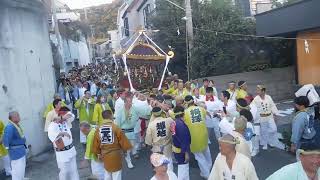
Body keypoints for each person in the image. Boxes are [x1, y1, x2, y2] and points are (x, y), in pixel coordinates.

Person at [92, 110, 133, 180]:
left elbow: (96, 144)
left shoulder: (98, 129)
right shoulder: (116, 127)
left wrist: (98, 154)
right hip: (115, 154)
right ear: (111, 116)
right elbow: (124, 142)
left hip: (105, 154)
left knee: (107, 173)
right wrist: (125, 151)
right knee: (117, 174)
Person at [184, 95, 212, 179]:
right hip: (204, 134)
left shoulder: (185, 112)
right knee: (207, 152)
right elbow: (204, 118)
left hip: (194, 137)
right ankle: (209, 168)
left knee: (200, 157)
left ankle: (206, 174)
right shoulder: (201, 109)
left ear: (186, 103)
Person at [48, 108, 79, 180]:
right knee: (64, 172)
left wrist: (64, 117)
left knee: (74, 170)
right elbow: (51, 135)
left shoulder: (66, 122)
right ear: (59, 116)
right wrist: (61, 133)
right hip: (62, 153)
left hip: (71, 150)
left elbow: (72, 115)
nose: (67, 118)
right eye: (64, 116)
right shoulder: (53, 125)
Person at [251, 85, 284, 150]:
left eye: (259, 90)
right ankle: (265, 143)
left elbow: (272, 106)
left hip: (270, 116)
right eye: (257, 90)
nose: (257, 92)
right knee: (263, 131)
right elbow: (252, 108)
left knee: (274, 129)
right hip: (262, 117)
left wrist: (275, 114)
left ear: (263, 91)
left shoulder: (268, 97)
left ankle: (269, 140)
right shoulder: (256, 99)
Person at [114, 94, 139, 169]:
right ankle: (128, 161)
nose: (130, 103)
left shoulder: (134, 108)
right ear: (125, 102)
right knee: (126, 149)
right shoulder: (120, 110)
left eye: (131, 101)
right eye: (129, 102)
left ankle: (130, 155)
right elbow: (117, 122)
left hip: (132, 131)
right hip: (123, 132)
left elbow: (137, 117)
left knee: (131, 146)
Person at [3, 111, 27, 180]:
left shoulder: (15, 125)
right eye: (18, 116)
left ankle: (21, 178)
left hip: (20, 151)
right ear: (13, 118)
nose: (19, 117)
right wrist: (9, 150)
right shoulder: (10, 126)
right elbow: (6, 139)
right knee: (17, 170)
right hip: (16, 152)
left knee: (21, 168)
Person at [170, 106, 191, 180]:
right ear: (183, 113)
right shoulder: (181, 125)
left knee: (181, 168)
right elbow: (184, 140)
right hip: (181, 150)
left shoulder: (173, 122)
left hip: (176, 148)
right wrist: (186, 153)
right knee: (183, 170)